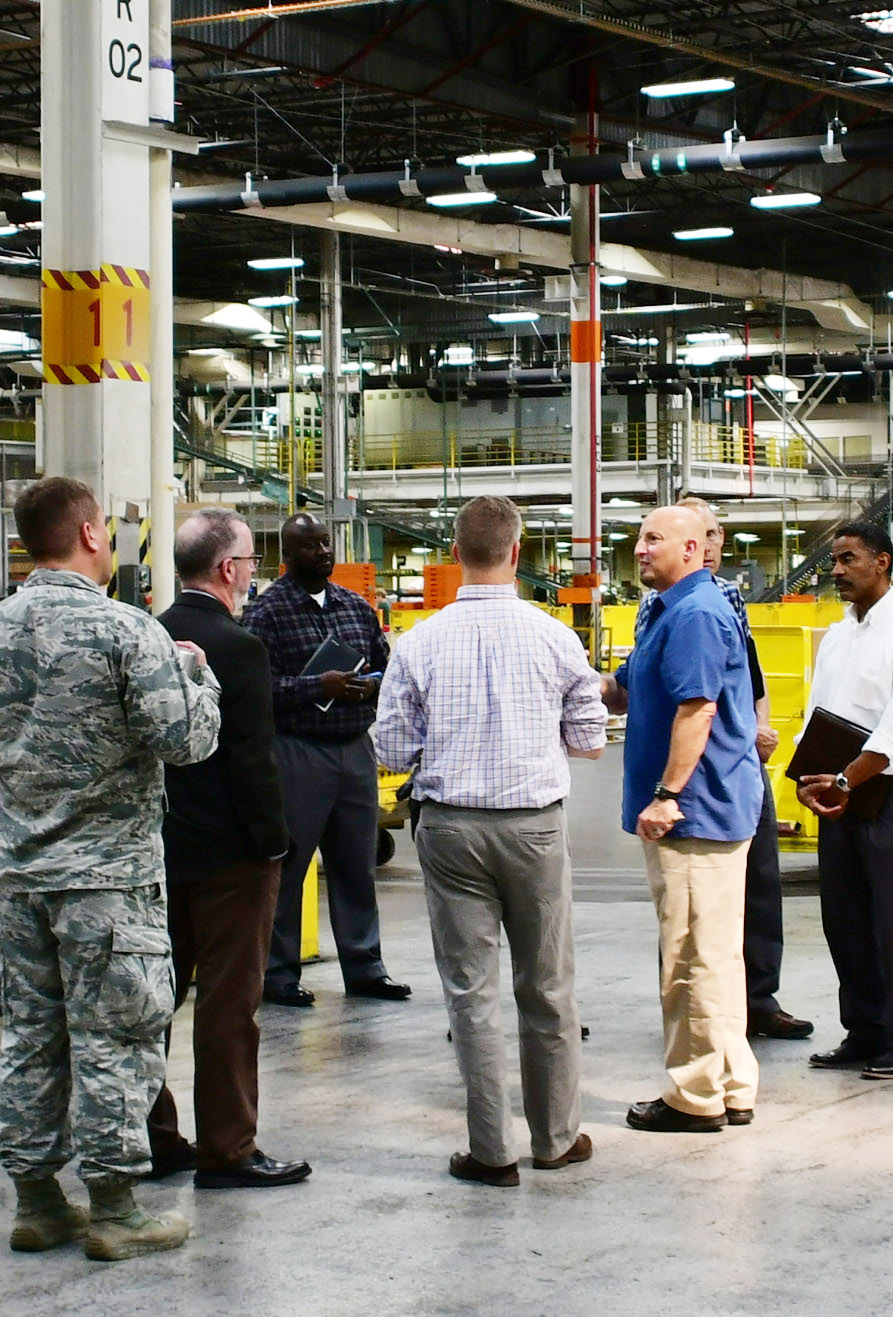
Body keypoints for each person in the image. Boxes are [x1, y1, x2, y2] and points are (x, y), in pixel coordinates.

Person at [0, 477, 220, 1258]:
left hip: (20, 882)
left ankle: (36, 1201)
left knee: (31, 1037)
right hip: (110, 886)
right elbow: (186, 743)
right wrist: (196, 676)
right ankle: (116, 1205)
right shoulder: (127, 633)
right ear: (93, 535)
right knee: (116, 1038)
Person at [370, 495, 607, 1185]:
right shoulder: (557, 637)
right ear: (516, 552)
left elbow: (390, 747)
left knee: (470, 994)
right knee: (549, 986)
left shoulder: (416, 641)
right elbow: (590, 740)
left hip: (449, 831)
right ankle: (556, 1139)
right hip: (533, 829)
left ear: (454, 555)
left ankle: (490, 1151)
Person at [143, 507, 306, 1189]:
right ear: (227, 569)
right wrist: (275, 845)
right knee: (228, 1008)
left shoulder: (147, 635)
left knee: (152, 1001)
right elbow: (250, 760)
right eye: (249, 561)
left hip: (156, 852)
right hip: (232, 859)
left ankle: (152, 1135)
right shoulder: (238, 649)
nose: (252, 573)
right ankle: (228, 1148)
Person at [614, 503, 765, 1135]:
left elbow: (698, 710)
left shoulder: (698, 613)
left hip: (695, 813)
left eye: (653, 539)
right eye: (640, 537)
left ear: (693, 550)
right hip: (705, 808)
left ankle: (694, 1095)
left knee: (689, 957)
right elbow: (623, 687)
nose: (641, 548)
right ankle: (730, 1083)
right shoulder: (671, 610)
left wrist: (668, 794)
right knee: (715, 954)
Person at [795, 518, 893, 1079]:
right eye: (834, 560)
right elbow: (818, 714)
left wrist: (843, 781)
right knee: (845, 918)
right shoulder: (838, 635)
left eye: (847, 559)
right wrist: (810, 777)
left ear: (881, 561)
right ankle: (864, 1031)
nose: (836, 570)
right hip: (840, 792)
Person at [239, 512, 405, 1009]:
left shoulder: (355, 607)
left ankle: (365, 967)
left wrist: (370, 686)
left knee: (356, 865)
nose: (324, 553)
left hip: (354, 750)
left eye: (326, 544)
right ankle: (279, 973)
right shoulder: (265, 614)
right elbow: (257, 689)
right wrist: (319, 686)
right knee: (290, 867)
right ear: (288, 556)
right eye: (311, 547)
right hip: (297, 752)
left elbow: (385, 665)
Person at [673, 498, 811, 1043]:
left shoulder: (726, 595)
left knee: (760, 883)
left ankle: (758, 999)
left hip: (741, 764)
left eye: (707, 535)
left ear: (718, 540)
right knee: (697, 900)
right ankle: (704, 1005)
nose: (701, 547)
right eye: (688, 536)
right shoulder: (669, 603)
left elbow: (750, 676)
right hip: (700, 771)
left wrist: (761, 729)